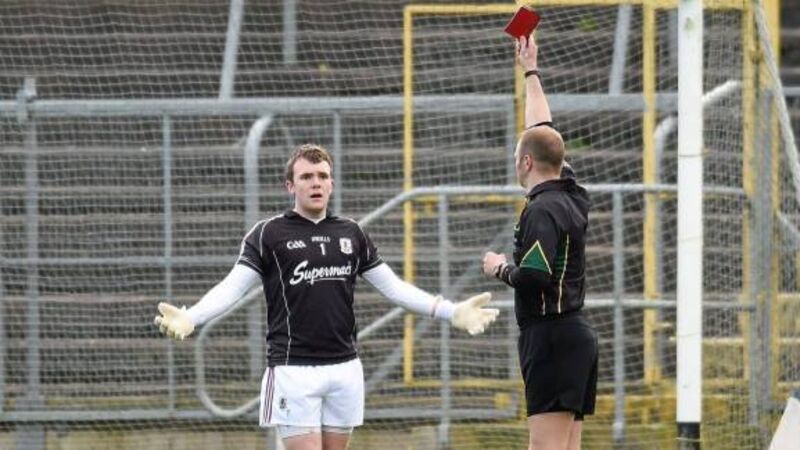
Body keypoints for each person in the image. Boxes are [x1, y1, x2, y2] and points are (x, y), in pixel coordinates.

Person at [154, 143, 499, 450]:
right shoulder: (268, 234)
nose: (315, 183)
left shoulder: (352, 233)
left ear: (332, 183)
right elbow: (233, 287)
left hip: (344, 368)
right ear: (290, 186)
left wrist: (450, 311)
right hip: (293, 370)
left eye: (322, 176)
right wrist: (192, 316)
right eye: (306, 177)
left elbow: (393, 287)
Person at [482, 34, 597, 450]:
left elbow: (533, 275)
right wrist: (530, 70)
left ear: (527, 162)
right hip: (576, 337)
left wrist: (499, 268)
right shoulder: (572, 193)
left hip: (550, 338)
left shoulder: (540, 210)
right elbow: (542, 130)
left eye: (518, 159)